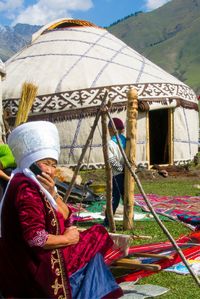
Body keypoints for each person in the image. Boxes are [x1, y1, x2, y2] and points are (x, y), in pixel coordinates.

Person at [0, 121, 123, 299]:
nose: (50, 170)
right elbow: (36, 238)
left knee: (95, 242)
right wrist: (67, 238)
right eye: (45, 163)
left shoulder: (40, 185)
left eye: (53, 164)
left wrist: (53, 193)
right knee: (97, 236)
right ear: (31, 163)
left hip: (41, 254)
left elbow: (66, 215)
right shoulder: (26, 188)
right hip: (33, 264)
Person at [104, 117, 126, 227]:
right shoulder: (126, 141)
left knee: (115, 198)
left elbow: (111, 160)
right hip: (126, 174)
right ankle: (128, 219)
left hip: (117, 175)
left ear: (111, 130)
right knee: (125, 197)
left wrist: (121, 170)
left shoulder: (110, 144)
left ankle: (108, 220)